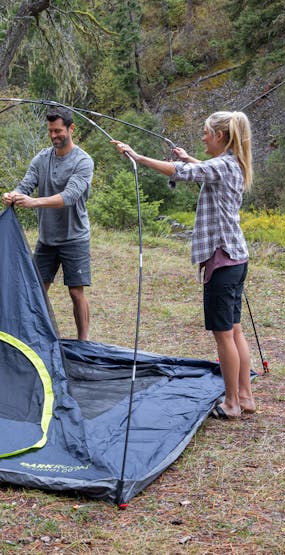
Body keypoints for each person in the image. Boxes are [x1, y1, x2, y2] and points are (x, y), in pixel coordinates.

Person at [112, 110, 256, 419]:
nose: (203, 137)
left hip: (222, 260)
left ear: (220, 136)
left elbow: (183, 172)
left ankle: (231, 403)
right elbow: (202, 169)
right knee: (235, 331)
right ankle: (245, 396)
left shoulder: (221, 166)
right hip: (236, 259)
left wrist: (138, 157)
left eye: (206, 132)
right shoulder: (232, 164)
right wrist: (190, 158)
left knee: (224, 336)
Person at [2, 108, 95, 341]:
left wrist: (34, 203)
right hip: (47, 238)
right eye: (51, 131)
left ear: (71, 129)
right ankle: (37, 337)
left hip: (75, 237)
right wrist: (12, 195)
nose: (54, 135)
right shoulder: (41, 159)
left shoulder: (83, 162)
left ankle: (84, 341)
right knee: (37, 291)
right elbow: (25, 185)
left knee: (75, 292)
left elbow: (69, 196)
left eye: (59, 131)